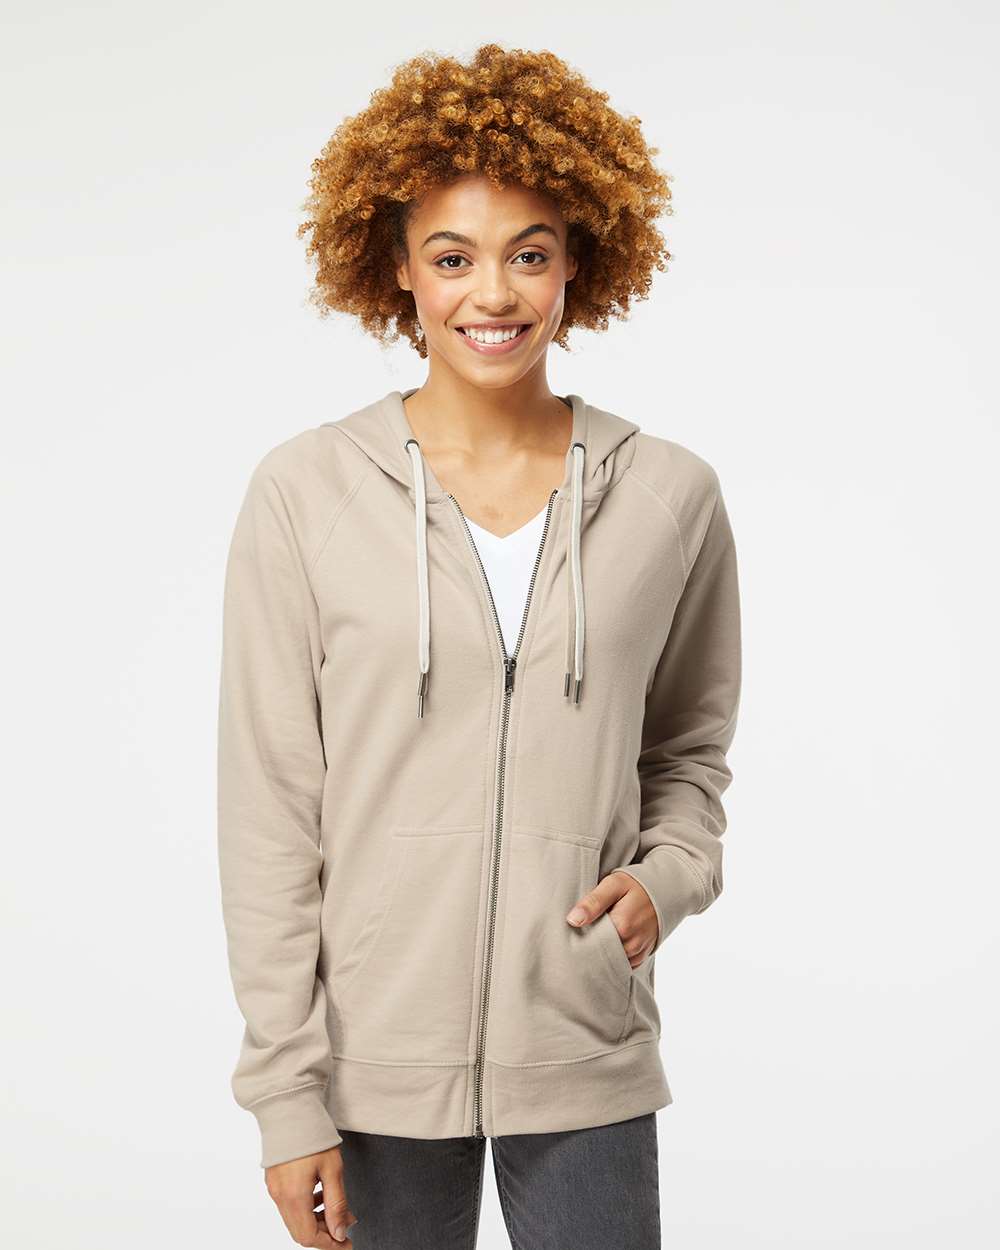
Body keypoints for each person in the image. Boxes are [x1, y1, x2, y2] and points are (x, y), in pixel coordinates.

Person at [217, 43, 742, 1250]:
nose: (492, 294)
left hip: (586, 1039)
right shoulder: (306, 491)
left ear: (578, 262)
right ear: (396, 267)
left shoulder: (668, 494)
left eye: (529, 253)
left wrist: (667, 877)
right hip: (369, 1060)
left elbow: (690, 748)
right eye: (452, 257)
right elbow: (269, 810)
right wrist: (285, 1092)